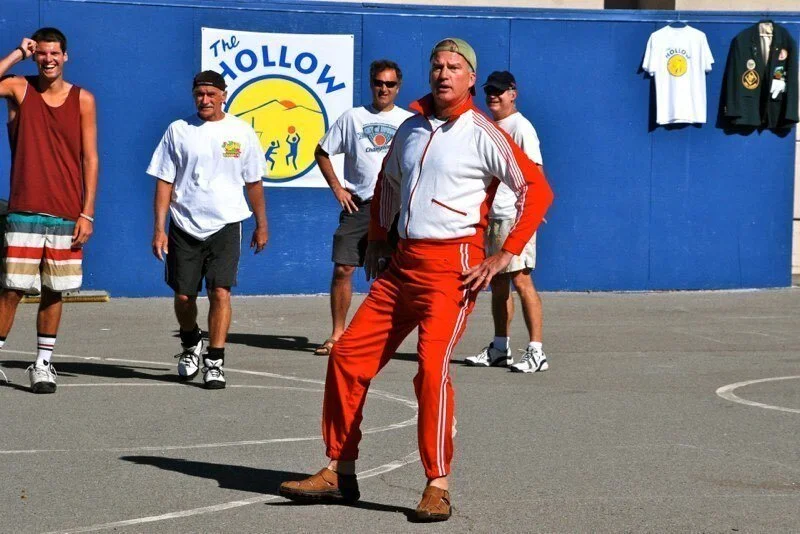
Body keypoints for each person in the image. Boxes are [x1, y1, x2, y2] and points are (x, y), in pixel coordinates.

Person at [279, 38, 553, 521]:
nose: (443, 73)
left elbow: (536, 189)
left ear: (470, 78)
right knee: (346, 356)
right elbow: (388, 182)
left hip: (453, 270)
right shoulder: (410, 127)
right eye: (437, 65)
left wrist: (504, 254)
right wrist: (378, 238)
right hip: (402, 266)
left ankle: (437, 484)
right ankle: (340, 471)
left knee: (431, 369)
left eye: (454, 67)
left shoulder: (485, 133)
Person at [147, 70, 268, 390]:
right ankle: (191, 343)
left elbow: (254, 182)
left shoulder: (241, 131)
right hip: (184, 224)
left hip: (226, 225)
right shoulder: (178, 130)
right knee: (184, 296)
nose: (205, 100)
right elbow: (164, 181)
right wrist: (159, 228)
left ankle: (215, 361)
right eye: (199, 94)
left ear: (223, 96)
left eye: (211, 94)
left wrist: (261, 224)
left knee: (220, 292)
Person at [0, 28, 98, 394]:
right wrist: (16, 53)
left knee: (54, 291)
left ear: (65, 56)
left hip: (67, 214)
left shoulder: (83, 99)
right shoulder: (18, 88)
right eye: (41, 53)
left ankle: (42, 364)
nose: (48, 59)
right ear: (35, 55)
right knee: (11, 290)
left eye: (54, 53)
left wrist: (87, 213)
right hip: (24, 209)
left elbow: (90, 158)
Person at [312, 59, 412, 356]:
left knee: (389, 274)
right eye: (379, 83)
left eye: (390, 84)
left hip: (396, 209)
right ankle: (338, 334)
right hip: (360, 206)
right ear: (371, 84)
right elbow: (322, 151)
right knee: (343, 268)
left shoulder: (409, 122)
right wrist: (337, 188)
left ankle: (379, 338)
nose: (384, 89)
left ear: (398, 87)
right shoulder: (352, 117)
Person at [465, 71, 549, 373]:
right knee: (498, 282)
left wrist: (532, 211)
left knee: (521, 280)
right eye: (489, 90)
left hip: (514, 216)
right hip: (492, 216)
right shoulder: (489, 127)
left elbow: (536, 171)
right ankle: (500, 348)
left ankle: (537, 351)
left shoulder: (521, 127)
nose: (493, 96)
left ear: (513, 94)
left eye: (500, 91)